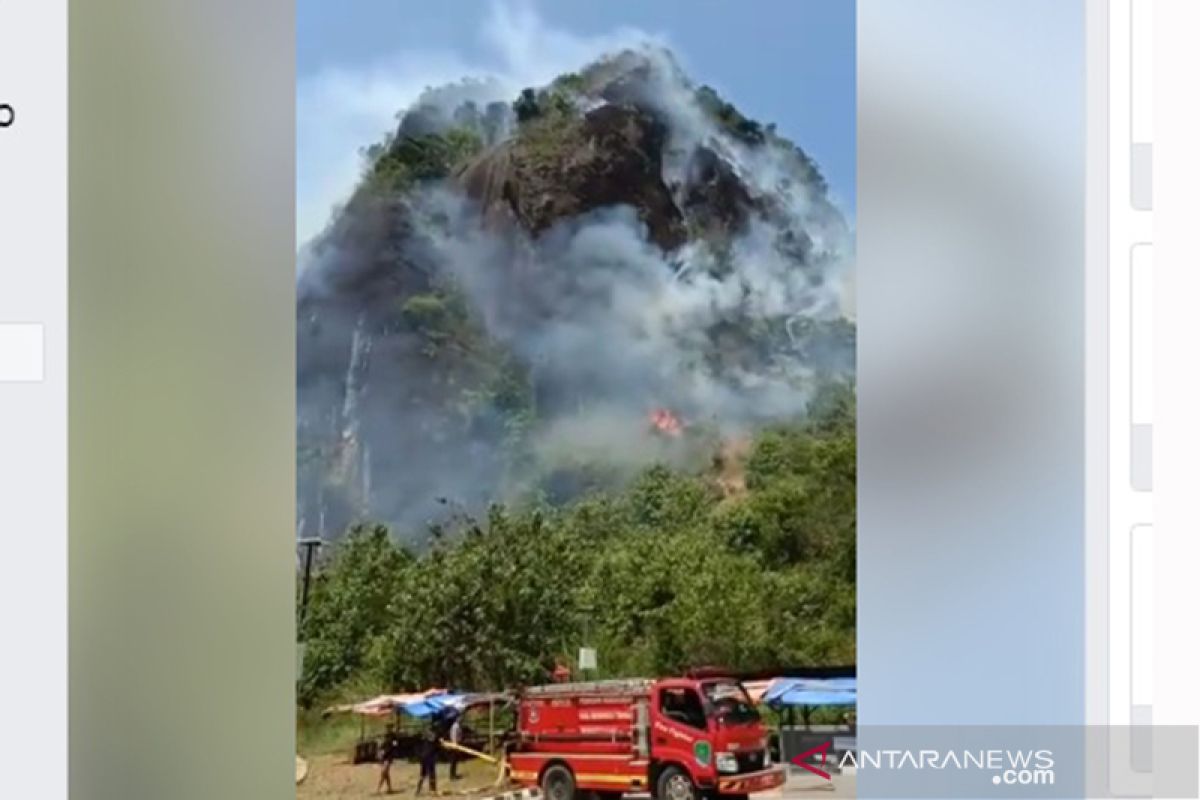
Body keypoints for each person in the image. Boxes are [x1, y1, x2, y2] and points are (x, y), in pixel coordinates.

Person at [414, 723, 439, 797]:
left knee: (423, 774)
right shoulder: (433, 737)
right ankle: (433, 790)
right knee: (431, 774)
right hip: (429, 757)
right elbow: (435, 741)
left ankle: (418, 791)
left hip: (424, 757)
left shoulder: (425, 737)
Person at [377, 723, 403, 795]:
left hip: (389, 756)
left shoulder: (393, 737)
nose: (388, 729)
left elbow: (395, 745)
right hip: (384, 755)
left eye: (390, 728)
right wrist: (380, 752)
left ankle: (379, 788)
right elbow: (382, 745)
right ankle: (389, 788)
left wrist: (394, 747)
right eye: (388, 728)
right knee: (386, 773)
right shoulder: (385, 736)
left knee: (384, 772)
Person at [448, 713, 463, 780]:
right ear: (457, 718)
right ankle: (452, 776)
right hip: (454, 745)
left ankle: (454, 774)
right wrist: (455, 744)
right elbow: (454, 736)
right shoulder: (455, 726)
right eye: (459, 718)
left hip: (457, 744)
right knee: (453, 761)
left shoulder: (458, 726)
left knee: (455, 761)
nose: (461, 719)